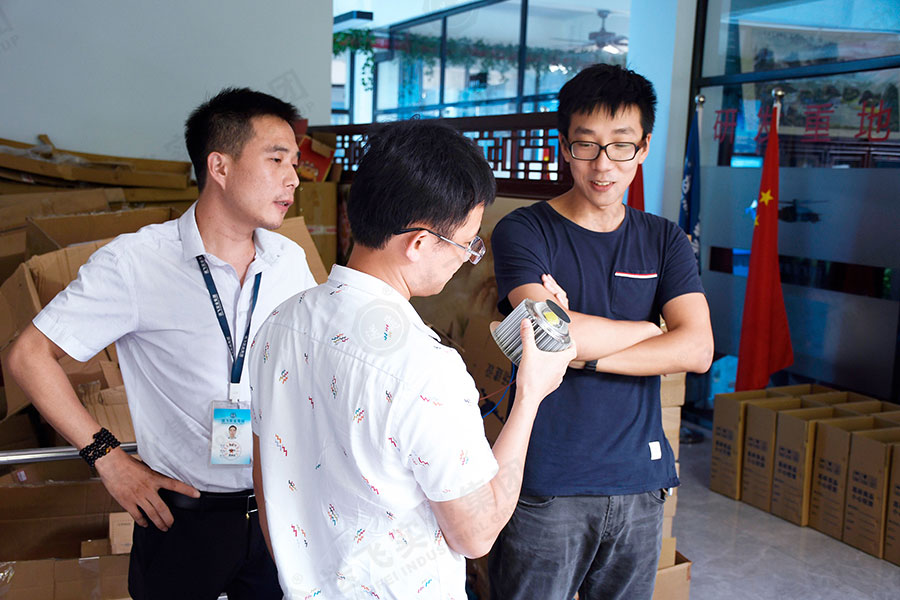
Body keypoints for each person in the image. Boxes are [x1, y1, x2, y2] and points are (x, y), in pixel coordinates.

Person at [7, 87, 318, 600]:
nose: (293, 178)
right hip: (183, 516)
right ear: (219, 166)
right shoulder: (136, 263)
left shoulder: (288, 261)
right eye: (277, 159)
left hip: (278, 508)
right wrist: (108, 459)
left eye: (295, 163)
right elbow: (28, 356)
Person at [248, 119, 576, 599]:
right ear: (418, 243)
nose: (467, 258)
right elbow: (476, 533)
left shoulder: (280, 322)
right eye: (467, 243)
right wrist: (530, 395)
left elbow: (267, 480)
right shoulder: (426, 368)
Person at [488, 64, 714, 599]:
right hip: (547, 485)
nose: (603, 164)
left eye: (621, 145)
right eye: (586, 145)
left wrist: (583, 352)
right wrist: (649, 330)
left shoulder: (665, 239)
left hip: (640, 482)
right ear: (564, 147)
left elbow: (698, 348)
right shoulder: (524, 230)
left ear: (644, 147)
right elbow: (545, 334)